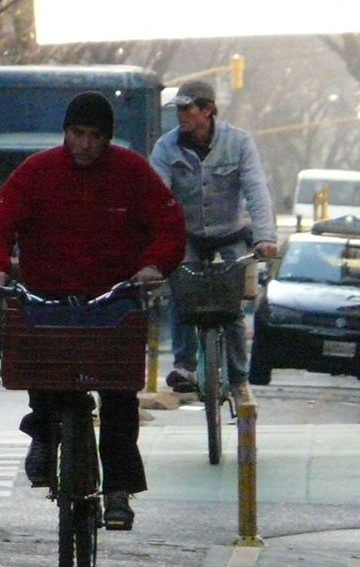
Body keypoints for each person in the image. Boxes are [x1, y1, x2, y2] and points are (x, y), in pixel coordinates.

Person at [0, 91, 186, 531]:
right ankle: (43, 433)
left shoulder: (132, 173)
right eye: (77, 134)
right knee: (44, 371)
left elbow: (169, 225)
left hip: (112, 301)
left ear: (108, 138)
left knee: (118, 397)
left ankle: (118, 490)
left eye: (94, 136)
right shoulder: (37, 172)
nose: (85, 145)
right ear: (65, 134)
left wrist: (153, 265)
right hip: (48, 299)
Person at [148, 79, 277, 394]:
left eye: (187, 107)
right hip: (186, 235)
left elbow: (256, 190)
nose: (181, 114)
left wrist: (264, 237)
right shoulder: (166, 147)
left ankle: (238, 378)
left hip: (229, 234)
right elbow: (153, 196)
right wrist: (151, 243)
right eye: (178, 108)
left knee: (230, 304)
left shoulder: (239, 143)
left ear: (207, 110)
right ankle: (184, 366)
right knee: (182, 292)